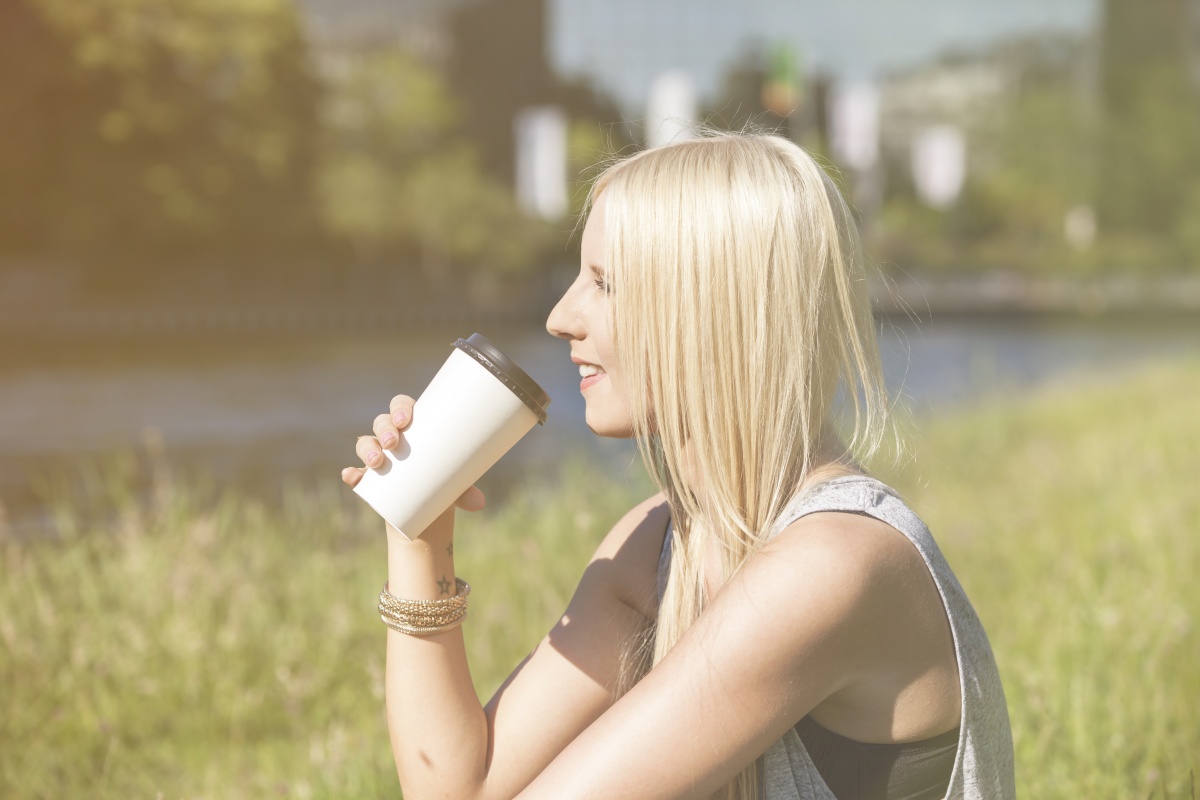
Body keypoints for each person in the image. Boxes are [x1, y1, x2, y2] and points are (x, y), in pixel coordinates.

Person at [340, 132, 1015, 800]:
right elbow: (461, 788)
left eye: (604, 283)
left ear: (712, 311)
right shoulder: (658, 545)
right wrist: (417, 527)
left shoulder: (834, 563)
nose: (558, 317)